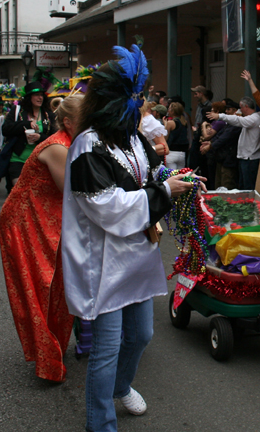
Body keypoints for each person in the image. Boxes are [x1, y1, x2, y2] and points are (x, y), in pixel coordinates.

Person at [62, 47, 198, 432]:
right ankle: (100, 422)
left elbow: (152, 174)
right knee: (106, 348)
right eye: (133, 96)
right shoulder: (89, 144)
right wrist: (165, 192)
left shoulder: (133, 138)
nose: (140, 105)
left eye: (140, 96)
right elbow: (107, 206)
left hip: (137, 253)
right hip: (104, 260)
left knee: (141, 335)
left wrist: (180, 180)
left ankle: (121, 386)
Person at [0, 96, 82, 382]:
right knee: (39, 288)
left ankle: (55, 348)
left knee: (60, 286)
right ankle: (47, 360)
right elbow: (73, 191)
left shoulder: (75, 142)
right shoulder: (58, 146)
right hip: (24, 221)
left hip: (49, 219)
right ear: (68, 122)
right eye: (87, 120)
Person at [2, 82, 56, 188]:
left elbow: (54, 137)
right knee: (19, 191)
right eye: (36, 95)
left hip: (40, 161)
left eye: (41, 95)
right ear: (29, 97)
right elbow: (5, 129)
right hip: (19, 160)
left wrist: (40, 137)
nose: (40, 98)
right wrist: (26, 124)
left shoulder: (48, 115)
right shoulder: (17, 111)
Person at [207, 96, 260, 190]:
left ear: (246, 107)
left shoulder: (254, 118)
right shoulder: (249, 117)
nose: (240, 110)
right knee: (242, 186)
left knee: (248, 188)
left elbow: (238, 121)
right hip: (244, 157)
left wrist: (220, 116)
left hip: (250, 158)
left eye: (241, 107)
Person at [201, 99, 240, 189]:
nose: (226, 112)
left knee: (226, 185)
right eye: (226, 109)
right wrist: (210, 142)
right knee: (218, 184)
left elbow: (224, 138)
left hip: (229, 158)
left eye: (229, 109)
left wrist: (210, 146)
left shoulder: (236, 123)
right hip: (221, 157)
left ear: (235, 110)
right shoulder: (229, 123)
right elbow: (220, 135)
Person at [164, 102, 189, 171]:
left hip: (172, 152)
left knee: (172, 175)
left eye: (169, 109)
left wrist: (165, 125)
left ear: (172, 112)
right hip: (182, 153)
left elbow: (165, 138)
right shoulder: (184, 122)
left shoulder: (170, 123)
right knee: (180, 175)